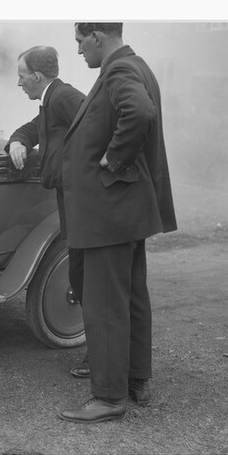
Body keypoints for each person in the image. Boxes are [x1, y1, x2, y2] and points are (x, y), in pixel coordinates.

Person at [58, 22, 177, 424]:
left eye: (80, 41)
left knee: (106, 303)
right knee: (131, 297)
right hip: (124, 208)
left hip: (108, 210)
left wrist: (115, 158)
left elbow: (139, 111)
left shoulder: (120, 69)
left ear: (97, 36)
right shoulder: (135, 65)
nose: (79, 51)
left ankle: (109, 397)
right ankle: (136, 379)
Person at [5, 46, 89, 377]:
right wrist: (17, 141)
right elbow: (33, 127)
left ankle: (99, 354)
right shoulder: (51, 98)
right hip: (70, 196)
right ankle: (98, 351)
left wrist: (76, 170)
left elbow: (98, 129)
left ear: (37, 76)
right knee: (81, 272)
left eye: (21, 76)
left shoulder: (65, 96)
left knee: (87, 275)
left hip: (81, 197)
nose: (19, 83)